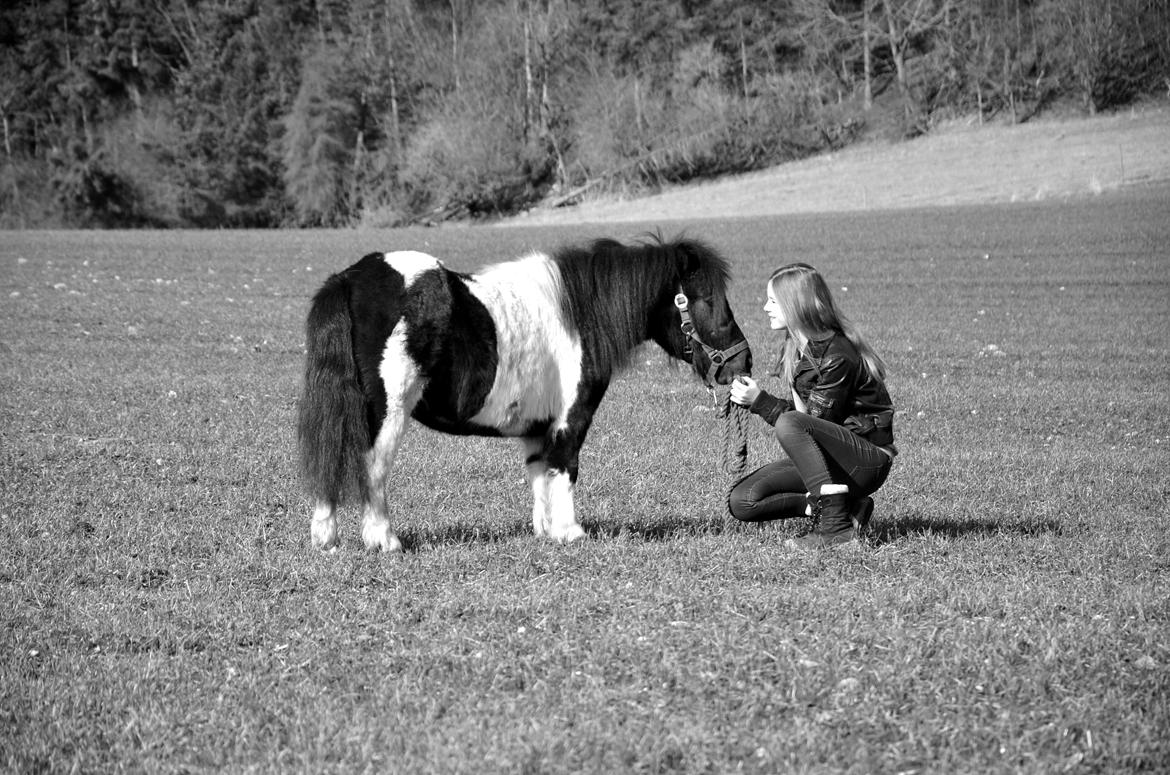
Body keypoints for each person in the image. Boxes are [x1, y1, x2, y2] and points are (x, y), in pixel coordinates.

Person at [728, 262, 896, 550]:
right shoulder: (795, 347)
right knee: (742, 500)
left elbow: (815, 423)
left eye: (773, 301)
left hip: (865, 461)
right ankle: (848, 509)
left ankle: (835, 529)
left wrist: (760, 402)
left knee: (788, 423)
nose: (765, 308)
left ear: (796, 305)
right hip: (833, 459)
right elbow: (807, 421)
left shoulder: (837, 355)